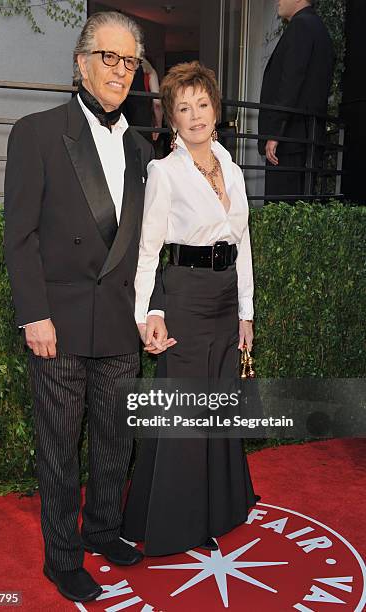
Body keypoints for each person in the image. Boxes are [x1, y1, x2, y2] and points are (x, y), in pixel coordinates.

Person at [4, 12, 159, 603]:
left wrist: (154, 310)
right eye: (109, 58)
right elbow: (20, 236)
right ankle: (62, 558)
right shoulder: (38, 132)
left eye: (129, 62)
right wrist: (33, 313)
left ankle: (102, 531)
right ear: (81, 61)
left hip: (120, 322)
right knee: (60, 447)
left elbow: (148, 246)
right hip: (60, 325)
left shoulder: (145, 150)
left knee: (116, 440)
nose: (120, 72)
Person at [122, 61, 258, 556]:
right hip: (184, 296)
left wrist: (246, 314)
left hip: (224, 301)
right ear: (171, 118)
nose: (195, 115)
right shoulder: (164, 172)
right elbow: (147, 250)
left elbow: (241, 245)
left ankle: (217, 510)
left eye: (202, 104)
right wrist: (147, 314)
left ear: (216, 110)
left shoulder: (235, 171)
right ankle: (172, 521)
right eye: (184, 107)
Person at [258, 0, 334, 200]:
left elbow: (290, 82)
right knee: (299, 209)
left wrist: (275, 133)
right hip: (306, 138)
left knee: (280, 211)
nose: (278, 1)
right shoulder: (318, 28)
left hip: (289, 141)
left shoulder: (301, 26)